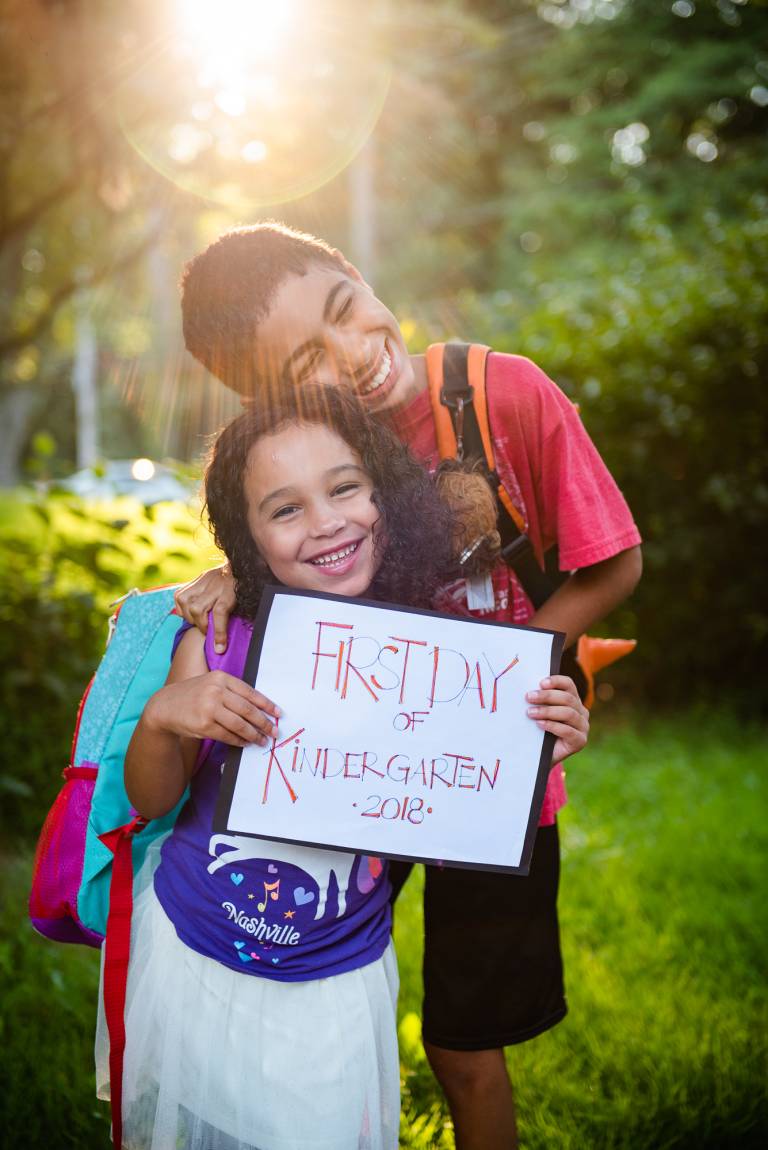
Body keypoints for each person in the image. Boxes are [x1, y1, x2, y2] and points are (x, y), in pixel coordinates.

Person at [176, 222, 642, 1149]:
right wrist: (229, 580)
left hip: (488, 789)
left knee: (464, 1047)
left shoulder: (500, 394)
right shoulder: (300, 451)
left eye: (345, 310)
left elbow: (614, 563)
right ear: (269, 399)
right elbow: (281, 554)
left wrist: (505, 681)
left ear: (359, 276)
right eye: (307, 362)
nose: (353, 354)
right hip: (345, 783)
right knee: (307, 997)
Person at [98, 384, 589, 1150]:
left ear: (385, 492)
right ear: (246, 535)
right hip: (200, 955)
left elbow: (467, 784)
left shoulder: (435, 652)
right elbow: (153, 800)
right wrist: (165, 717)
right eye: (285, 509)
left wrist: (533, 739)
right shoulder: (220, 641)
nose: (326, 523)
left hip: (338, 975)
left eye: (345, 488)